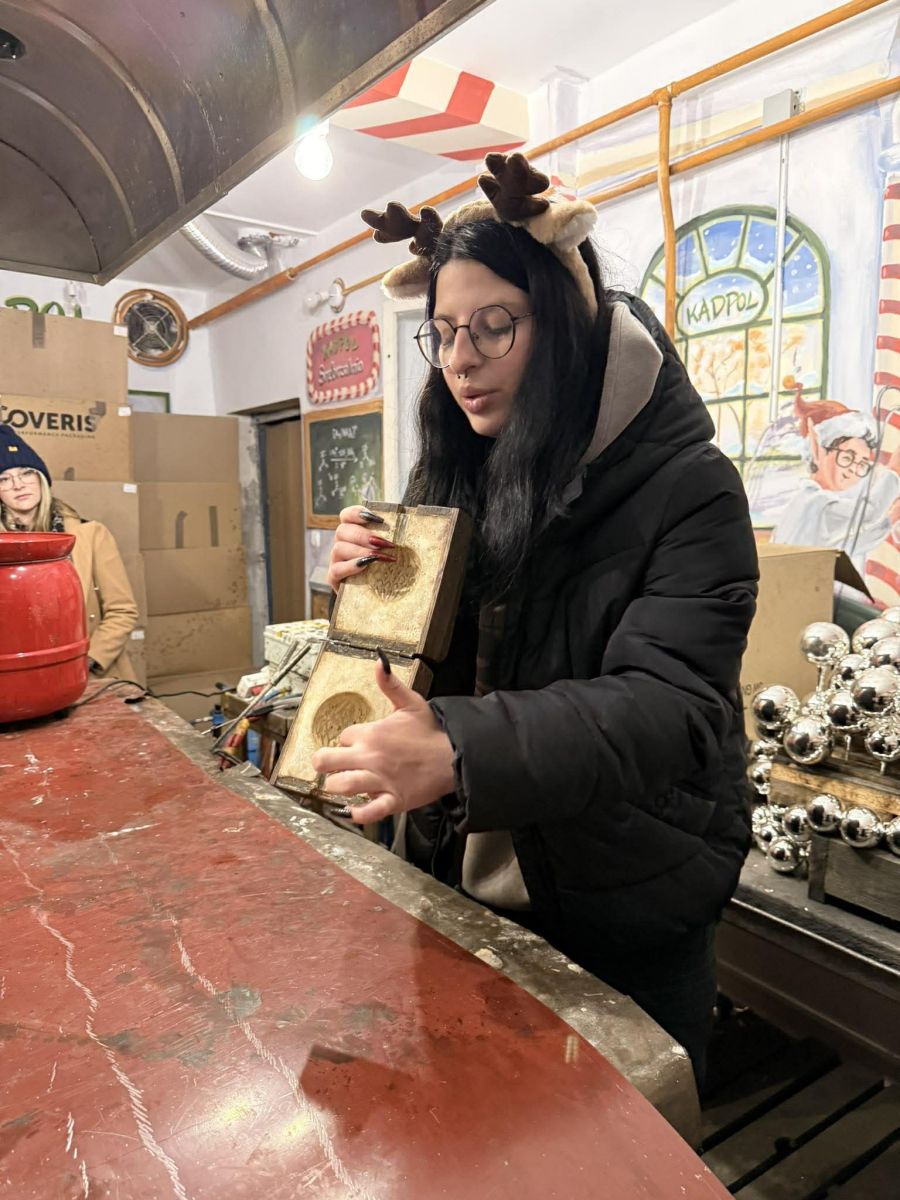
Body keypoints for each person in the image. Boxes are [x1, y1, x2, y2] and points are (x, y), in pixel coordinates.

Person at [314, 153, 759, 1088]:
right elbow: (433, 671)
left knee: (631, 1136)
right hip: (463, 882)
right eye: (444, 333)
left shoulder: (689, 487)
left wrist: (461, 749)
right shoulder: (464, 462)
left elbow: (671, 707)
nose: (461, 360)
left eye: (495, 326)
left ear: (566, 321)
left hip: (624, 898)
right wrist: (369, 591)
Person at [0, 428, 139, 680]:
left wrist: (87, 662)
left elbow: (123, 611)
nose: (18, 485)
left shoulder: (91, 534)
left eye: (26, 473)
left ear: (41, 479)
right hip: (18, 677)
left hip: (91, 675)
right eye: (4, 479)